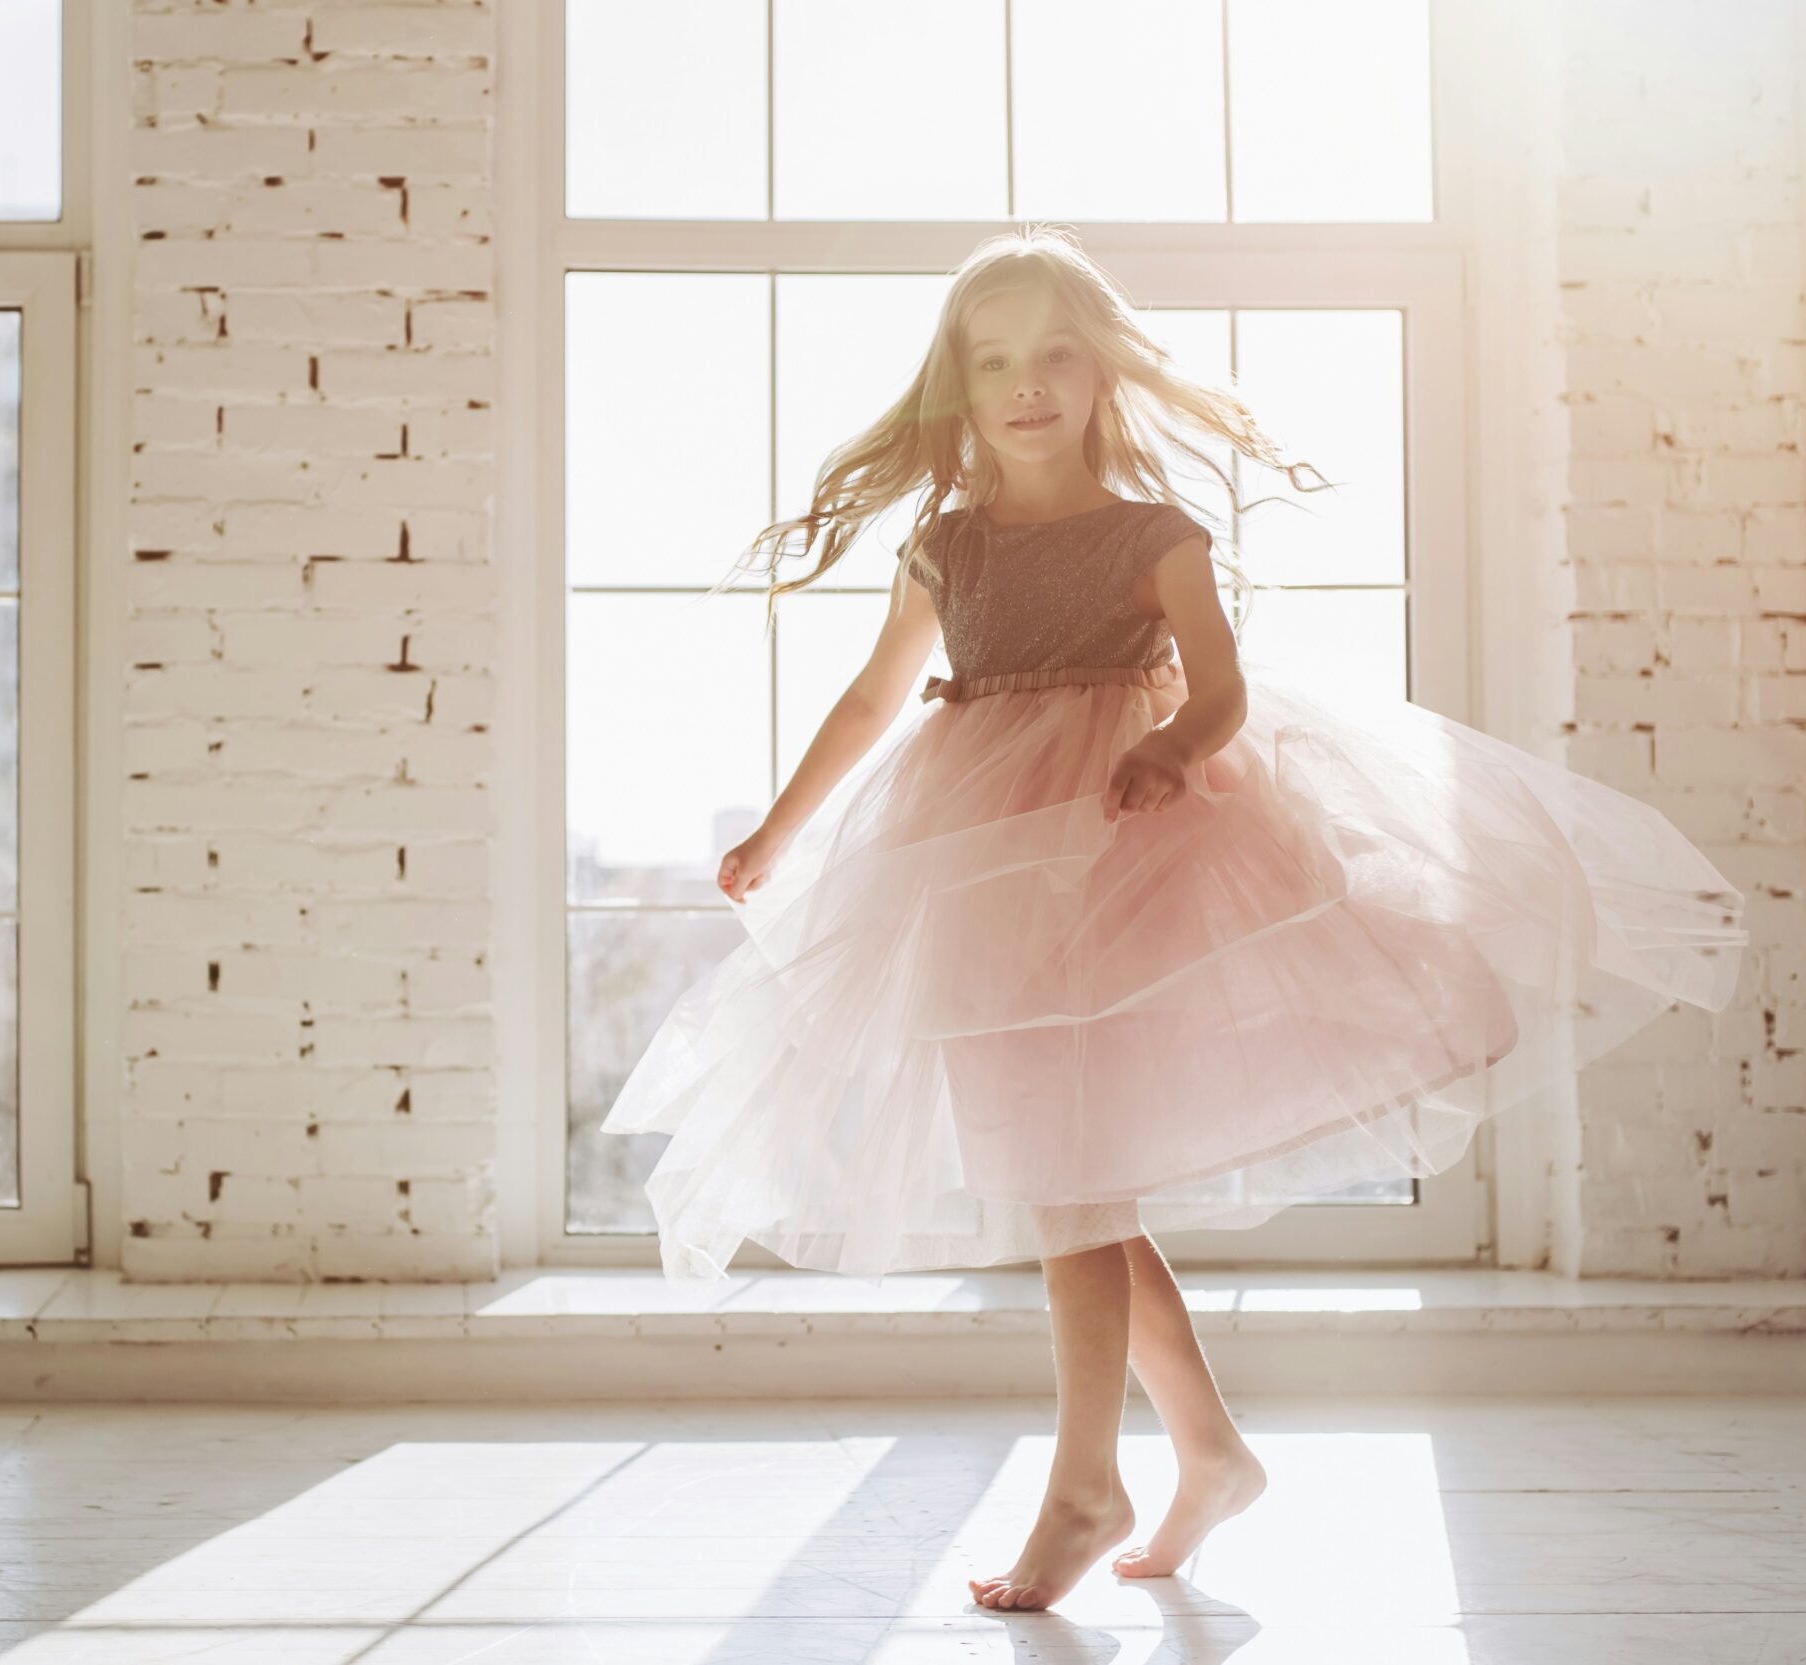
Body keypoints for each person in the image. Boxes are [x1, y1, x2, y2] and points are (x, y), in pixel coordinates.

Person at [596, 226, 1749, 1611]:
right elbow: (869, 698)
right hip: (976, 872)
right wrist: (781, 829)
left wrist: (1169, 747)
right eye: (996, 359)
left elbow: (1222, 689)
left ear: (1101, 370)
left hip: (1123, 860)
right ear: (959, 382)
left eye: (1056, 356)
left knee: (1072, 1189)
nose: (1028, 385)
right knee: (1066, 1180)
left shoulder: (1154, 536)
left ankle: (1089, 1483)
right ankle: (1206, 1449)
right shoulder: (946, 546)